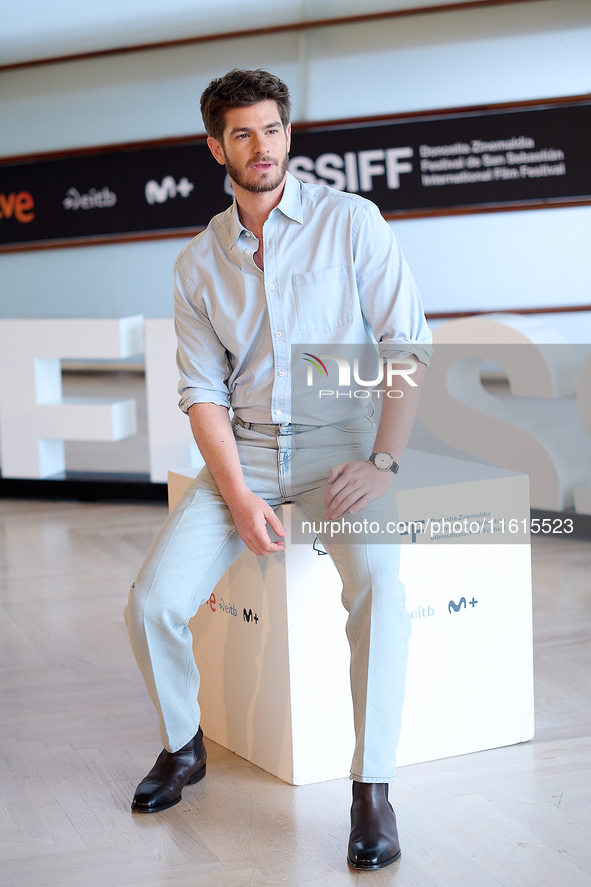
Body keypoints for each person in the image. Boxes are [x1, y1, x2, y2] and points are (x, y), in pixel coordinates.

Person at [125, 68, 432, 871]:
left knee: (378, 596)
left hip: (342, 444)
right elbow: (201, 391)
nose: (260, 147)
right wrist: (235, 492)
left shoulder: (350, 221)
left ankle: (373, 789)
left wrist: (384, 459)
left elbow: (405, 346)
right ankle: (184, 744)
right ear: (214, 147)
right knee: (153, 600)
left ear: (287, 134)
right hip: (249, 451)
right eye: (241, 133)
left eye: (271, 129)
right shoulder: (197, 263)